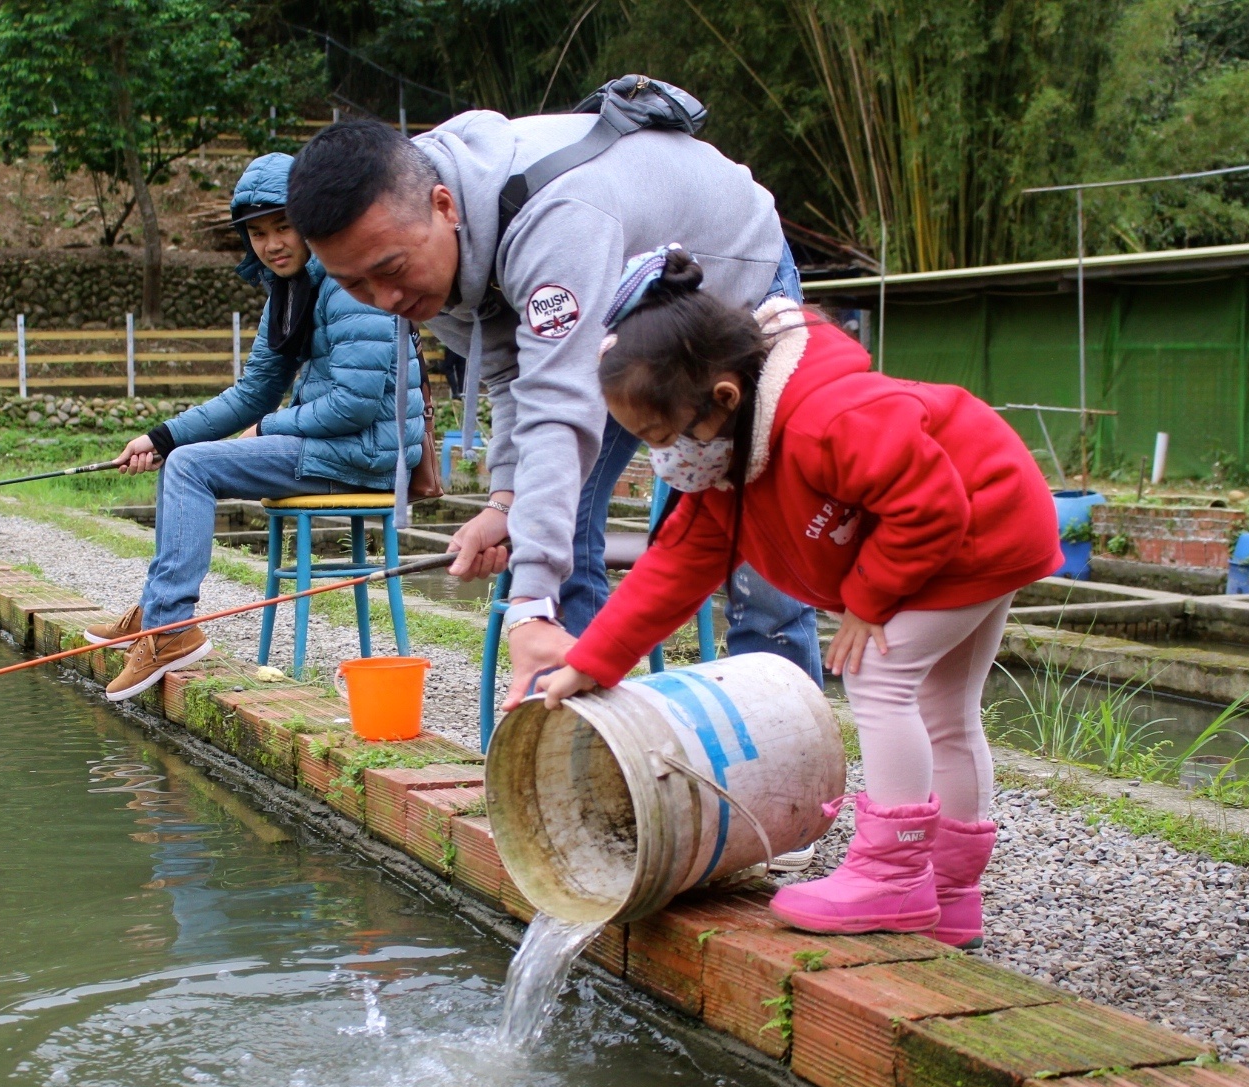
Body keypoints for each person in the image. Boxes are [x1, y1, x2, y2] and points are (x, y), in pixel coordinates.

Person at [538, 248, 1061, 946]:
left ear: (723, 398)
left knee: (877, 676)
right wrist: (593, 662)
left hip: (977, 527)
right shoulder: (727, 466)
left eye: (662, 437)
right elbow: (673, 568)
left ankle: (892, 876)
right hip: (978, 531)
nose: (660, 457)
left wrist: (870, 600)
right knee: (946, 712)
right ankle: (950, 892)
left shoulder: (827, 418)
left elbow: (930, 505)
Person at [285, 109, 822, 706]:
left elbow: (558, 406)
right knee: (559, 518)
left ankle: (785, 740)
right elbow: (514, 374)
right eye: (355, 285)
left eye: (389, 271)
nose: (384, 299)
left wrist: (531, 602)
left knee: (760, 530)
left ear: (444, 207)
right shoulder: (419, 260)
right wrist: (506, 503)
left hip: (725, 279)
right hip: (611, 309)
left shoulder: (554, 218)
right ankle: (590, 747)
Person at [87, 152, 424, 701]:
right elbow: (251, 394)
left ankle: (168, 627)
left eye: (284, 226)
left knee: (194, 469)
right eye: (259, 233)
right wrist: (161, 436)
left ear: (313, 219)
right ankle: (160, 615)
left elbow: (354, 405)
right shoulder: (288, 295)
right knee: (184, 457)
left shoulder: (346, 285)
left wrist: (269, 425)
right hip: (332, 446)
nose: (272, 244)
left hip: (366, 453)